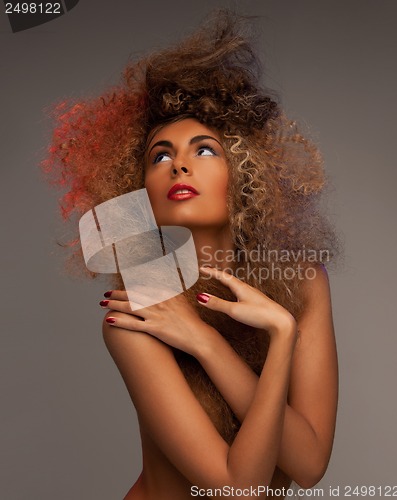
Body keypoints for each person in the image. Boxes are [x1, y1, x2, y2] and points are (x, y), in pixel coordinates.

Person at [43, 11, 338, 499]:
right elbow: (235, 489)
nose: (178, 163)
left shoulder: (302, 282)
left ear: (246, 175)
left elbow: (307, 466)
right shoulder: (140, 309)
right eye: (160, 156)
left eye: (204, 151)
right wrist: (215, 338)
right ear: (139, 190)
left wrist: (234, 339)